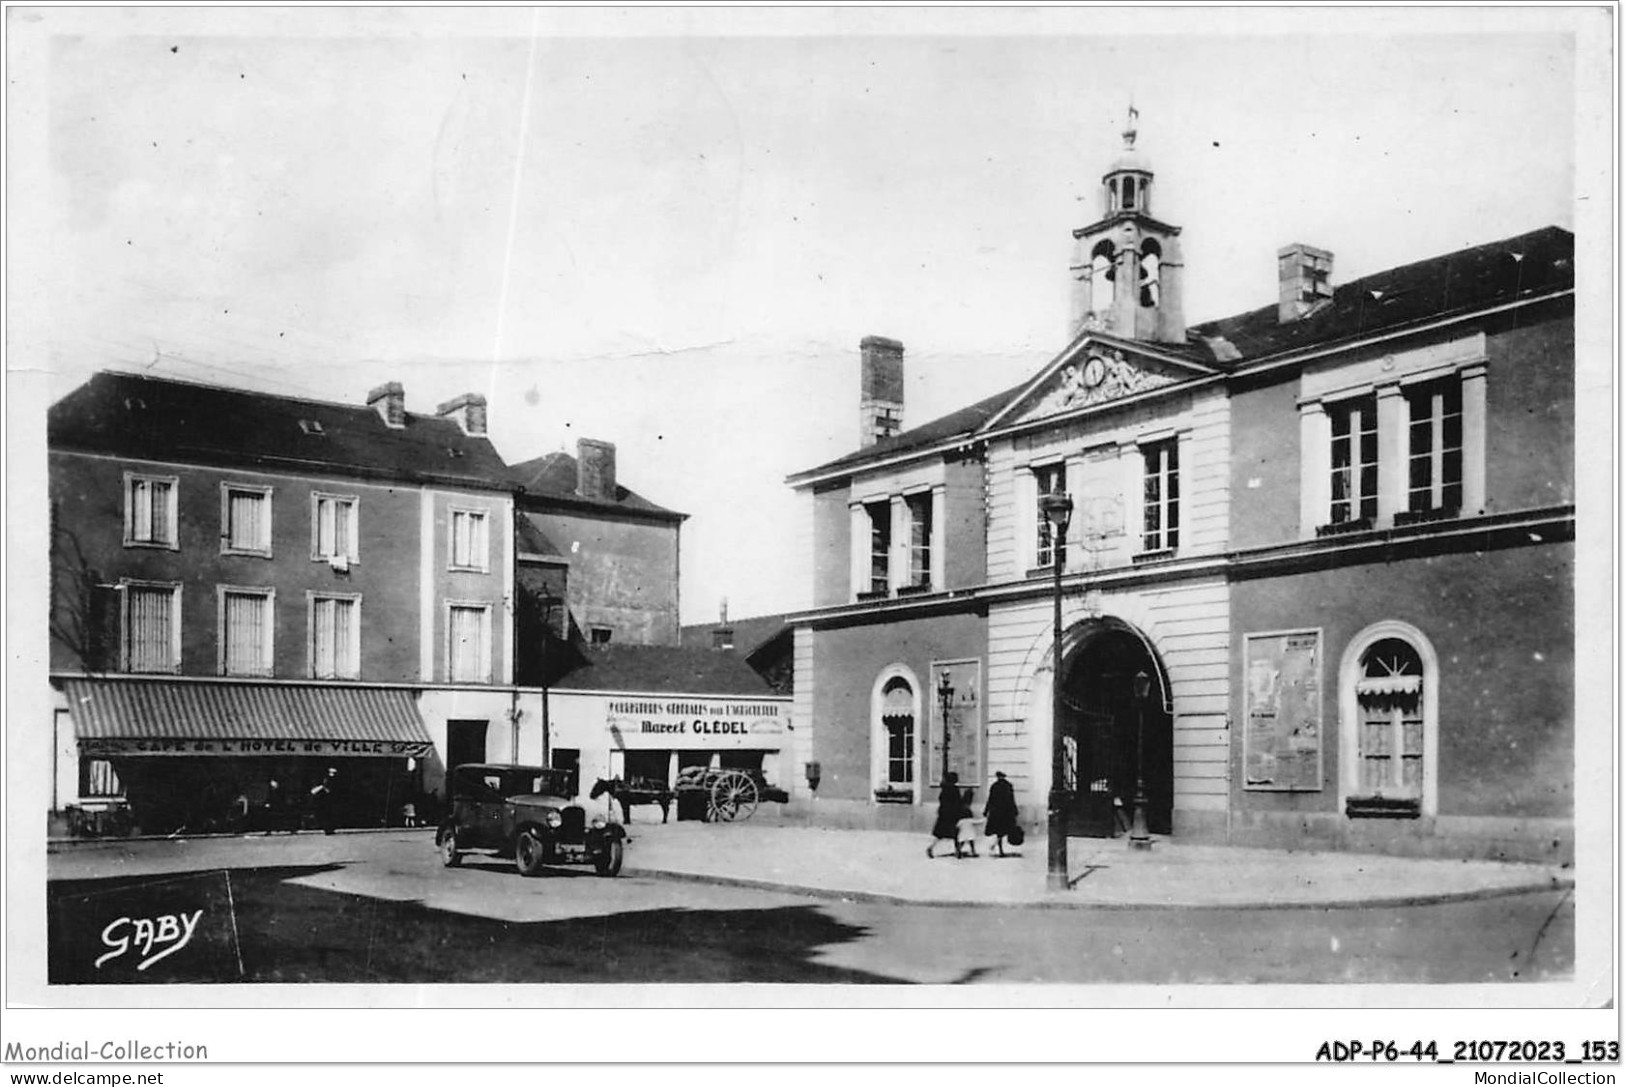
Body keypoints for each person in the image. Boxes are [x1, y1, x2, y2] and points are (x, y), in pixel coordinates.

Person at [927, 771, 971, 859]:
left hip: (944, 815)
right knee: (956, 834)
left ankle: (931, 847)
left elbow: (942, 801)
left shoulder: (944, 789)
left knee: (940, 834)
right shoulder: (954, 789)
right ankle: (958, 851)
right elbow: (958, 803)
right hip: (952, 815)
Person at [983, 770, 1020, 856]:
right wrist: (1015, 811)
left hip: (997, 812)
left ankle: (998, 847)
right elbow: (1012, 799)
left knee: (998, 831)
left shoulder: (994, 786)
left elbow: (990, 800)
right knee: (1003, 831)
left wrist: (986, 811)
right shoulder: (1008, 786)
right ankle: (999, 848)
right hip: (1006, 812)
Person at [310, 767, 339, 835]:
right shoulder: (323, 781)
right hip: (323, 801)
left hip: (329, 801)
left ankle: (329, 828)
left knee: (329, 814)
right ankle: (327, 828)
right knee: (326, 815)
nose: (332, 774)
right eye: (331, 773)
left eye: (334, 773)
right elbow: (314, 791)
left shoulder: (333, 781)